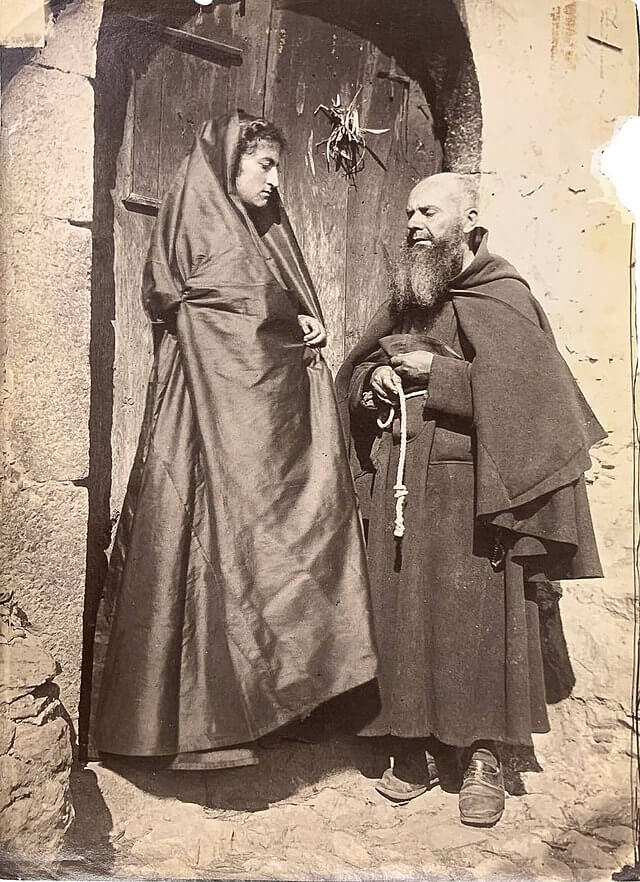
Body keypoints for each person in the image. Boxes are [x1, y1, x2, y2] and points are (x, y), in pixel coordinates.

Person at [90, 111, 377, 770]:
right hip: (196, 415)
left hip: (244, 425)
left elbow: (270, 309)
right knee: (190, 549)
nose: (275, 182)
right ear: (230, 164)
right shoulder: (201, 224)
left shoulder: (265, 233)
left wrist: (302, 322)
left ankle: (258, 709)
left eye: (278, 167)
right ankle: (182, 728)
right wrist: (287, 322)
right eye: (264, 165)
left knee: (249, 553)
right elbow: (220, 309)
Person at [336, 172, 604, 825]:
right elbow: (359, 367)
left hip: (475, 488)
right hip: (402, 476)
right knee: (404, 609)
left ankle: (484, 755)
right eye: (410, 213)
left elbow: (535, 398)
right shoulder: (410, 299)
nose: (414, 224)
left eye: (429, 212)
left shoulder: (502, 292)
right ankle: (414, 745)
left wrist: (441, 375)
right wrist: (374, 380)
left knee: (479, 619)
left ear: (470, 223)